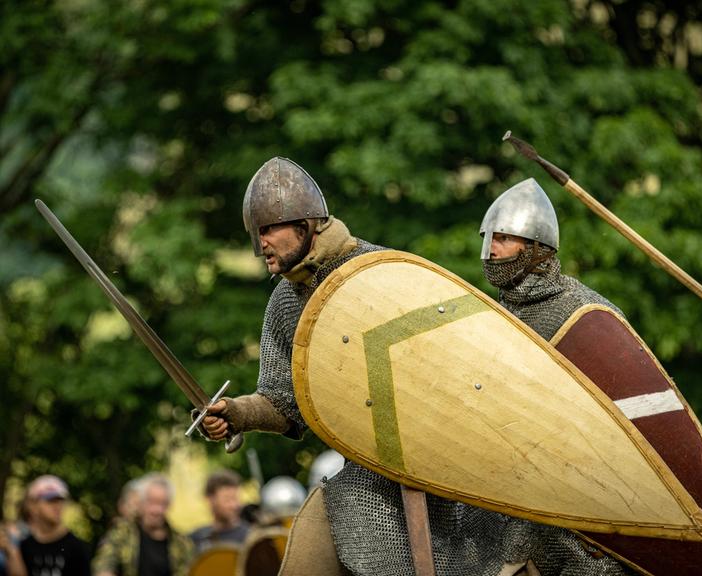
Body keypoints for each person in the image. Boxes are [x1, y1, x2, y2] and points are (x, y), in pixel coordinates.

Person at [201, 158, 630, 575]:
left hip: (442, 477)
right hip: (365, 481)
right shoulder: (282, 304)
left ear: (304, 226)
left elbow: (450, 372)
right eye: (256, 234)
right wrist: (237, 414)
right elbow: (284, 402)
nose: (261, 246)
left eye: (269, 231)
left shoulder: (377, 274)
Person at [92, 473, 193, 576]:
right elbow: (104, 564)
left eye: (162, 504)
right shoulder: (122, 533)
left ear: (169, 505)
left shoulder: (181, 544)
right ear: (141, 502)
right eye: (151, 502)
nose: (156, 510)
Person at [18, 475, 91, 576]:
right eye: (50, 501)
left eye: (60, 500)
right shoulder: (24, 547)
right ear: (33, 506)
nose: (57, 506)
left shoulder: (77, 548)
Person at [188, 470, 250, 553]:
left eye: (235, 499)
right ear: (210, 500)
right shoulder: (196, 540)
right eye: (227, 500)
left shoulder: (250, 537)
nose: (234, 506)